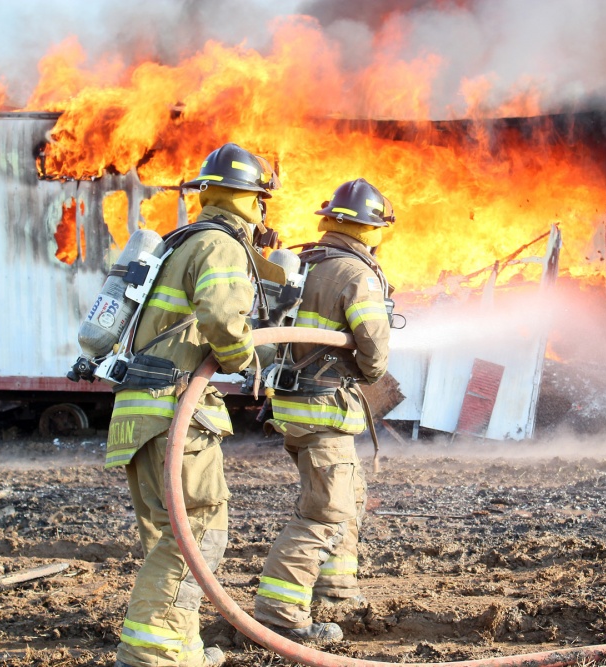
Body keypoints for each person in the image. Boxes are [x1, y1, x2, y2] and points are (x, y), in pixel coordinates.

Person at [106, 143, 280, 667]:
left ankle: (178, 645)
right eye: (261, 201)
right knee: (199, 528)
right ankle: (152, 653)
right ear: (253, 201)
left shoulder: (180, 242)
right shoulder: (221, 245)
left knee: (168, 534)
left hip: (138, 413)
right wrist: (247, 360)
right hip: (175, 408)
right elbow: (224, 321)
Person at [255, 178, 395, 642]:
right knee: (324, 512)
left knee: (348, 494)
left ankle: (335, 590)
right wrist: (368, 370)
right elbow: (373, 354)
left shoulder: (307, 260)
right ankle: (279, 612)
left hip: (294, 404)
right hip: (325, 409)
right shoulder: (356, 273)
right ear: (369, 228)